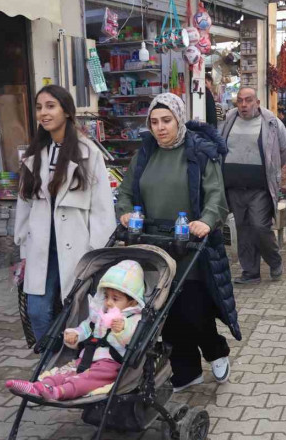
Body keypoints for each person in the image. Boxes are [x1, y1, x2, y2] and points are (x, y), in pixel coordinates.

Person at [116, 93, 240, 391]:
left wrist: (206, 221)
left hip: (190, 243)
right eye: (154, 122)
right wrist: (124, 213)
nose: (160, 128)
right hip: (152, 243)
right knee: (164, 311)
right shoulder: (144, 154)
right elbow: (126, 192)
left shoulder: (198, 152)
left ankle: (215, 350)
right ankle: (186, 371)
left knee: (193, 309)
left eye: (166, 121)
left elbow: (215, 195)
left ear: (179, 120)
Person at [15, 85, 116, 342]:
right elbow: (24, 205)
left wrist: (96, 253)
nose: (43, 113)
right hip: (41, 247)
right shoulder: (34, 155)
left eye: (50, 106)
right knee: (37, 312)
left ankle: (74, 362)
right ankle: (48, 361)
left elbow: (102, 208)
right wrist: (23, 247)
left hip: (76, 247)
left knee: (77, 311)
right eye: (39, 107)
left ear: (67, 112)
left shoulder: (87, 153)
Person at [5, 260, 145, 400]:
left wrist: (123, 330)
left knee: (85, 380)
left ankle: (58, 392)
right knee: (64, 372)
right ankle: (38, 387)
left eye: (115, 299)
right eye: (107, 296)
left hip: (111, 364)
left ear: (132, 301)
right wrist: (76, 334)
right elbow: (87, 327)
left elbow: (136, 341)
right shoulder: (100, 313)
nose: (108, 302)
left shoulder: (134, 319)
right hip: (86, 358)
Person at [219, 87, 286, 285]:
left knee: (260, 226)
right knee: (243, 229)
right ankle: (250, 272)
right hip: (234, 186)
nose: (243, 105)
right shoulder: (228, 120)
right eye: (240, 101)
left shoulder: (272, 122)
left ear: (257, 102)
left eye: (248, 100)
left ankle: (274, 261)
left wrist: (271, 170)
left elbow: (284, 150)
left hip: (260, 187)